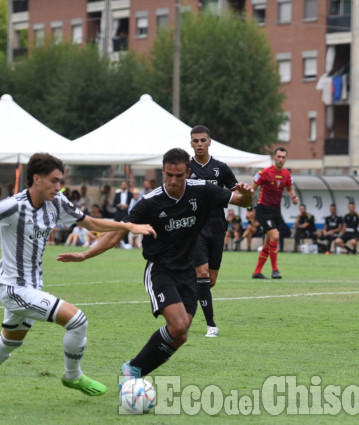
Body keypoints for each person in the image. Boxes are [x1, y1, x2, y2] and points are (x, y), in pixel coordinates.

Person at [0, 152, 156, 401]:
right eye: (54, 180)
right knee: (77, 320)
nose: (59, 186)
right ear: (36, 179)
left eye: (60, 181)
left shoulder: (58, 202)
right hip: (13, 288)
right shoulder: (13, 205)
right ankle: (72, 375)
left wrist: (128, 226)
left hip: (32, 285)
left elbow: (89, 222)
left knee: (11, 341)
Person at [57, 148, 253, 384]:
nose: (173, 180)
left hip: (187, 271)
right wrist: (86, 255)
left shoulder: (202, 191)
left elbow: (243, 201)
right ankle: (133, 370)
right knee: (178, 324)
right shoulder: (150, 202)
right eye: (168, 174)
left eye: (179, 175)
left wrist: (248, 194)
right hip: (160, 270)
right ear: (163, 171)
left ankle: (134, 369)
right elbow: (118, 232)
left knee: (181, 335)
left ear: (187, 173)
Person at [187, 125, 239, 337]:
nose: (199, 144)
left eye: (202, 140)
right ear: (191, 143)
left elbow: (238, 195)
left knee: (210, 280)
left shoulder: (221, 168)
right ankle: (211, 325)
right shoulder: (185, 168)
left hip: (217, 227)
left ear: (209, 142)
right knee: (203, 273)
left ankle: (186, 289)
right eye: (195, 140)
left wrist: (247, 195)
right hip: (194, 228)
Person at [251, 147, 298, 279]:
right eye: (279, 157)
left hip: (276, 211)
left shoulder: (286, 174)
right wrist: (250, 208)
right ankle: (275, 270)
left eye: (283, 157)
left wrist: (293, 197)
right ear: (274, 157)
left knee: (268, 242)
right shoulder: (264, 173)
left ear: (286, 159)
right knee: (275, 236)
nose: (281, 159)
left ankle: (257, 272)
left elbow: (290, 188)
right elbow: (252, 189)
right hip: (263, 209)